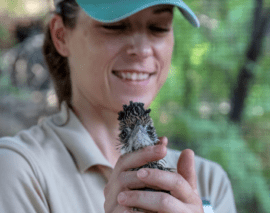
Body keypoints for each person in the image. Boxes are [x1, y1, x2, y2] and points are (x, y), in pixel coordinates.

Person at [0, 0, 237, 212]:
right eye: (114, 26)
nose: (143, 50)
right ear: (61, 35)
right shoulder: (18, 171)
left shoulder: (208, 183)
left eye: (159, 27)